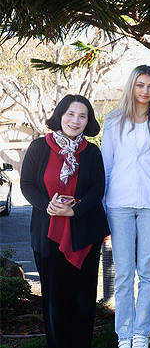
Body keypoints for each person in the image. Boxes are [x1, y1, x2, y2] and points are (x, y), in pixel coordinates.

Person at [21, 94, 110, 348]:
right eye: (71, 114)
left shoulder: (91, 152)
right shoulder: (39, 147)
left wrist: (75, 211)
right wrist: (46, 205)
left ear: (88, 121)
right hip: (47, 234)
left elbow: (97, 187)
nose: (76, 120)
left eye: (83, 116)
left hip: (84, 234)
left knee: (83, 299)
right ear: (60, 115)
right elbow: (27, 184)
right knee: (54, 300)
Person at [101, 65, 150, 348]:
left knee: (147, 271)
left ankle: (142, 333)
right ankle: (124, 334)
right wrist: (103, 203)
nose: (145, 91)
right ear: (132, 86)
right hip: (118, 203)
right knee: (123, 272)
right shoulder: (113, 120)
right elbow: (107, 165)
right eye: (141, 85)